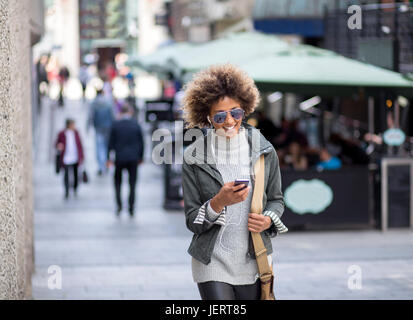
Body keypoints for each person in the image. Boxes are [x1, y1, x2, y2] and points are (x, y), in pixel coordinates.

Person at [181, 64, 288, 300]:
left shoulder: (264, 150)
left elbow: (277, 200)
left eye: (236, 113)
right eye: (220, 116)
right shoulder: (193, 157)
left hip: (254, 260)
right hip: (211, 261)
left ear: (245, 109)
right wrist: (218, 202)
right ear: (207, 117)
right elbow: (192, 220)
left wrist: (267, 219)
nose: (229, 121)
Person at [107, 105, 144, 217]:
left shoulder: (116, 125)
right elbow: (141, 142)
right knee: (132, 184)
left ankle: (119, 206)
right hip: (133, 158)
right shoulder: (135, 125)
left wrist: (108, 158)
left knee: (117, 183)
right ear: (130, 111)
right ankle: (131, 207)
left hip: (119, 158)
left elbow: (110, 143)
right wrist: (140, 157)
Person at [56, 119, 84, 199]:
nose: (74, 126)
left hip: (75, 156)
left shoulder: (76, 133)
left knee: (75, 174)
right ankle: (67, 191)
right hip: (66, 157)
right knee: (66, 175)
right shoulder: (62, 134)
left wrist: (81, 156)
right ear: (68, 125)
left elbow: (80, 145)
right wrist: (59, 146)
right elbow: (56, 143)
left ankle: (75, 189)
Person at [88, 88, 114, 175]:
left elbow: (90, 116)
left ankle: (100, 165)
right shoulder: (108, 102)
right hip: (108, 127)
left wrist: (88, 126)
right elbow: (112, 115)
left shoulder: (94, 103)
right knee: (107, 146)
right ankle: (106, 164)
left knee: (99, 146)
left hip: (98, 127)